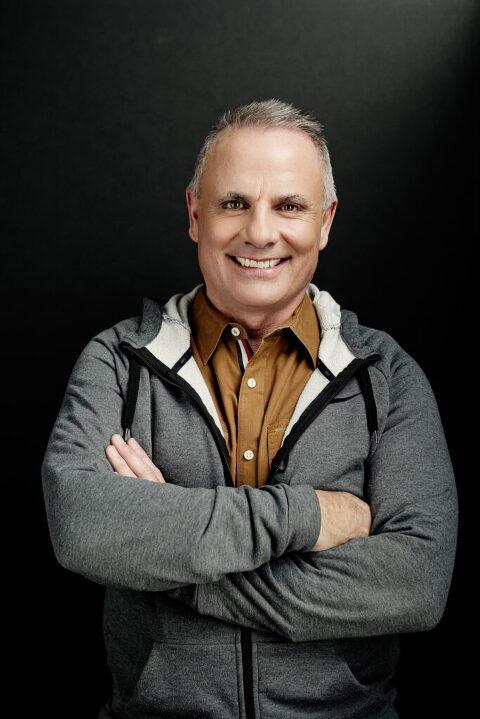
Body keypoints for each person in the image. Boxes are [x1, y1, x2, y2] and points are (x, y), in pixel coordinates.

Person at [42, 99, 457, 719]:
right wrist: (307, 516)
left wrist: (167, 558)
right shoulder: (118, 361)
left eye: (289, 206)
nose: (260, 232)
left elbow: (415, 584)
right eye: (234, 203)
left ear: (325, 221)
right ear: (194, 213)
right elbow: (81, 526)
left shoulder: (388, 377)